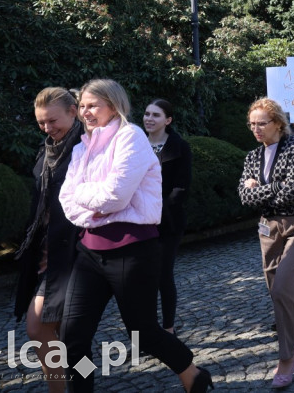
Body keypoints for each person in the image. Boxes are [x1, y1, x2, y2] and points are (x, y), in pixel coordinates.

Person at [58, 79, 210, 393]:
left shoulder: (131, 137)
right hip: (89, 250)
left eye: (93, 105)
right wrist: (92, 207)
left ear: (113, 105)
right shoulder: (80, 147)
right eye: (82, 106)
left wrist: (84, 195)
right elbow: (65, 199)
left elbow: (115, 196)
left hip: (133, 249)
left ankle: (192, 373)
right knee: (72, 335)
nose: (85, 112)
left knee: (143, 333)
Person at [240, 98, 294, 389]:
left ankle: (286, 357)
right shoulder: (253, 156)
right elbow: (244, 197)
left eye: (262, 123)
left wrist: (261, 188)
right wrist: (272, 189)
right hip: (269, 229)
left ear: (278, 123)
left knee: (284, 286)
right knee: (279, 293)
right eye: (252, 124)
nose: (256, 129)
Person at [14, 88, 84, 392]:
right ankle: (80, 381)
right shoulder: (48, 148)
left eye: (52, 120)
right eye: (41, 123)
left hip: (75, 253)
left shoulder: (86, 147)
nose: (47, 128)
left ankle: (63, 388)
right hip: (44, 250)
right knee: (62, 334)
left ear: (74, 111)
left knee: (39, 327)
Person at [142, 99, 193, 334]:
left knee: (163, 274)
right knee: (142, 279)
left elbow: (181, 188)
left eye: (156, 115)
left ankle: (169, 328)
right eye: (147, 114)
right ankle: (147, 328)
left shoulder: (179, 146)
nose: (149, 119)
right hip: (138, 220)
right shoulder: (136, 144)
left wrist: (160, 210)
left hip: (167, 221)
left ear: (168, 120)